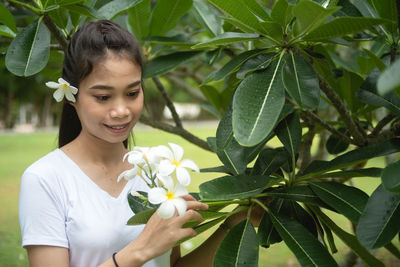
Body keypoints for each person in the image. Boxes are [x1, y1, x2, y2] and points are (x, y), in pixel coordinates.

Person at [18, 20, 252, 267]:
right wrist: (143, 248)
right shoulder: (45, 179)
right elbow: (147, 251)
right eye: (103, 97)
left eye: (132, 93)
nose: (121, 111)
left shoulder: (155, 172)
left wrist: (234, 224)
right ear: (72, 96)